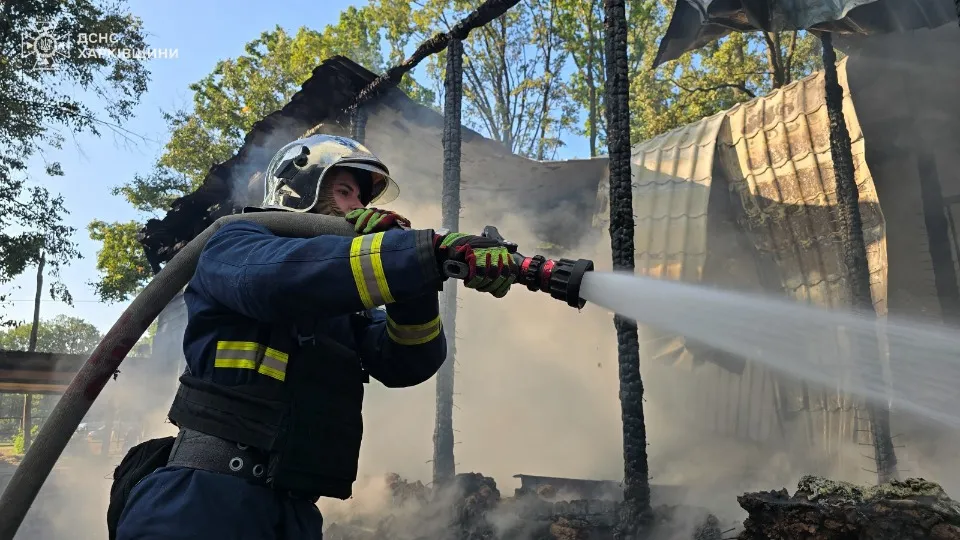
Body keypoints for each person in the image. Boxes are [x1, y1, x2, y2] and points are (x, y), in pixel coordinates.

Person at [113, 134, 518, 539]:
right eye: (344, 192)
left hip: (294, 515)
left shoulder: (342, 309)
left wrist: (417, 276)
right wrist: (414, 253)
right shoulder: (234, 242)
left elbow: (410, 360)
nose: (358, 208)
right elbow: (280, 280)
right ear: (298, 191)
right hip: (203, 505)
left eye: (362, 199)